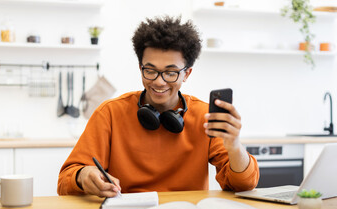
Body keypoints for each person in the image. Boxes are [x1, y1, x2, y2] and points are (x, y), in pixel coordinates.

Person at [58, 16, 259, 197]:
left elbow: (245, 184)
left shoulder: (205, 116)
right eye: (150, 70)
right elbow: (66, 180)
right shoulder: (110, 113)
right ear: (140, 68)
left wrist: (234, 147)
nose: (159, 82)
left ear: (186, 74)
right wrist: (84, 175)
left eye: (170, 73)